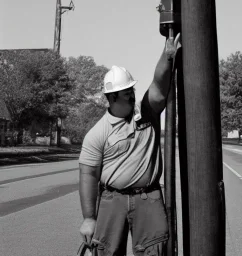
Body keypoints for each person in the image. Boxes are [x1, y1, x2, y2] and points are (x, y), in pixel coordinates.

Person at [78, 35, 180, 256]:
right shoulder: (97, 134)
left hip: (148, 198)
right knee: (107, 251)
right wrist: (88, 218)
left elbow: (159, 86)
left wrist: (167, 56)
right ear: (113, 97)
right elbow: (88, 175)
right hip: (112, 200)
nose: (133, 97)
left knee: (155, 251)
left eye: (132, 91)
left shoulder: (147, 113)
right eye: (127, 94)